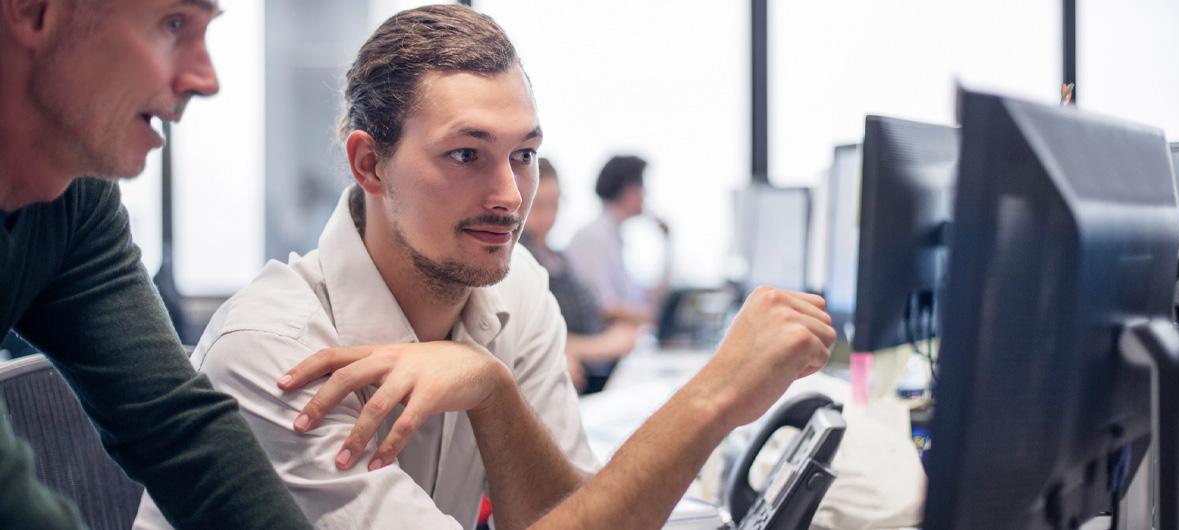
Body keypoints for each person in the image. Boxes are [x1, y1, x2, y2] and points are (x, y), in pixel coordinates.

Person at [139, 5, 835, 529]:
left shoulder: (514, 287)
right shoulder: (276, 356)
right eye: (466, 155)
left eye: (524, 154)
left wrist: (492, 390)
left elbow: (570, 515)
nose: (510, 197)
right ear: (368, 164)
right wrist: (713, 398)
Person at [0, 0, 311, 528]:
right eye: (173, 25)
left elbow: (177, 426)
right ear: (35, 12)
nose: (205, 79)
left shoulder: (73, 201)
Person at [521, 157, 639, 393]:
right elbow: (531, 339)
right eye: (539, 206)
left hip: (599, 370)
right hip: (579, 379)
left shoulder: (559, 257)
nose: (548, 217)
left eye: (554, 205)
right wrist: (605, 345)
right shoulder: (521, 260)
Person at [565, 154, 669, 325]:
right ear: (629, 190)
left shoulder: (613, 236)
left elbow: (641, 298)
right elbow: (604, 307)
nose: (646, 195)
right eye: (642, 186)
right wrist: (650, 316)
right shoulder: (592, 237)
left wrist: (667, 243)